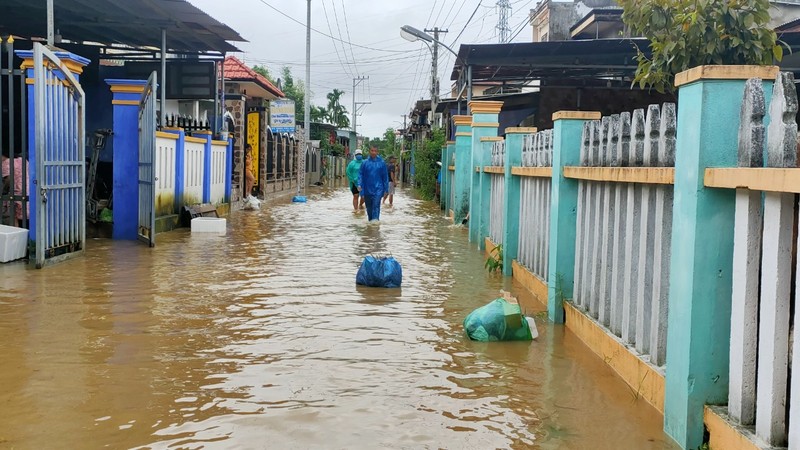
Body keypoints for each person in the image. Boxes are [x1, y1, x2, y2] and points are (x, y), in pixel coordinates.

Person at [358, 146, 389, 221]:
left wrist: (386, 189)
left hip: (378, 188)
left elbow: (385, 177)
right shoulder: (365, 163)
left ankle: (375, 224)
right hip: (367, 189)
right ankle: (371, 225)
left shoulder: (381, 163)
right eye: (372, 150)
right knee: (369, 208)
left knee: (376, 205)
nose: (373, 152)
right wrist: (359, 184)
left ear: (377, 152)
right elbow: (360, 174)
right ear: (369, 151)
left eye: (375, 151)